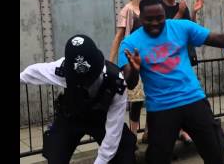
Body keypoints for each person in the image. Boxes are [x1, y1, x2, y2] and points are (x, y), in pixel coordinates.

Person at [118, 0, 224, 164]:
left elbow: (220, 39)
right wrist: (134, 70)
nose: (155, 23)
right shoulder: (129, 44)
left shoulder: (181, 27)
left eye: (159, 18)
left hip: (194, 100)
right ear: (140, 17)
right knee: (157, 158)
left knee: (215, 153)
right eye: (149, 19)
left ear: (165, 14)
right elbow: (131, 82)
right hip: (161, 108)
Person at [20, 34, 137, 164]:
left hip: (101, 119)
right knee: (55, 152)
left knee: (124, 151)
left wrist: (100, 161)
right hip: (72, 116)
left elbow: (113, 134)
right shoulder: (62, 69)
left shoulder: (116, 83)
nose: (86, 84)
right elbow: (34, 72)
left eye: (90, 79)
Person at [159, 0, 204, 144]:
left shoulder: (182, 7)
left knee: (185, 91)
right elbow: (163, 30)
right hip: (166, 57)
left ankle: (183, 129)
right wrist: (179, 12)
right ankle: (175, 130)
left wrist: (194, 12)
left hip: (183, 54)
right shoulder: (159, 7)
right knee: (171, 93)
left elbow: (189, 28)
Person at [109, 0, 150, 142]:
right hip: (129, 59)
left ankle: (148, 133)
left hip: (147, 58)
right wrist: (111, 62)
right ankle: (133, 136)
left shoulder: (149, 8)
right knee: (137, 99)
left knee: (152, 95)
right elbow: (119, 37)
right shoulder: (127, 10)